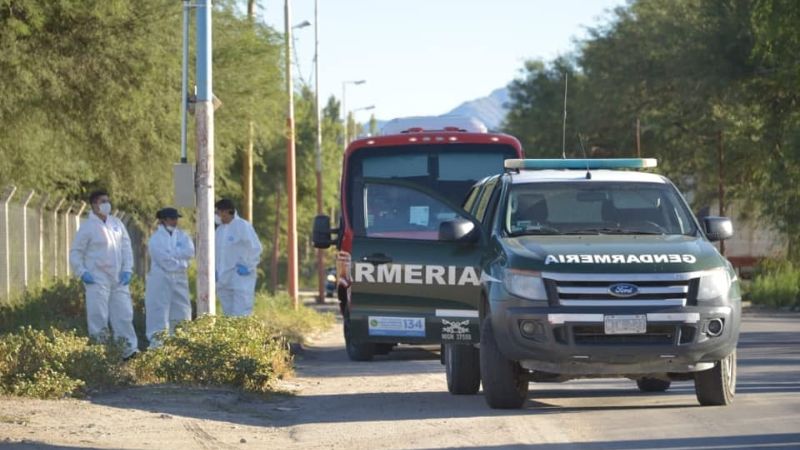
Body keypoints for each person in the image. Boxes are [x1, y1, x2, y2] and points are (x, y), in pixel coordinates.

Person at [69, 190, 138, 359]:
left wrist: (127, 269)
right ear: (94, 205)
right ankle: (102, 354)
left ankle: (128, 351)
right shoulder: (87, 227)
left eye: (108, 200)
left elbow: (126, 248)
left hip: (118, 278)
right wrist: (82, 272)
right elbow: (76, 252)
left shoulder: (117, 224)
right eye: (102, 201)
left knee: (124, 315)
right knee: (98, 316)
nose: (107, 204)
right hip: (97, 278)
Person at [145, 207, 195, 348]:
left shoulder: (182, 235)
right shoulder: (156, 239)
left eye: (176, 218)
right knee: (159, 311)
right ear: (163, 220)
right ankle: (157, 347)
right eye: (172, 218)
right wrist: (181, 262)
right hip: (161, 278)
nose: (175, 221)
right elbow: (163, 260)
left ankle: (180, 345)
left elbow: (190, 252)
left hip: (180, 279)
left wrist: (173, 254)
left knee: (182, 310)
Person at [215, 198, 262, 316]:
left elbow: (255, 248)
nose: (217, 216)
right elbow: (217, 253)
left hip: (241, 277)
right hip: (223, 279)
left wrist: (248, 266)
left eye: (218, 213)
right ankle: (231, 335)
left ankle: (241, 335)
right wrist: (215, 270)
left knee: (241, 313)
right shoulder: (220, 230)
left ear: (226, 212)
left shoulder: (243, 226)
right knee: (228, 314)